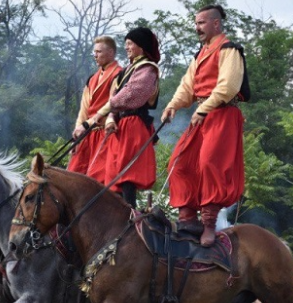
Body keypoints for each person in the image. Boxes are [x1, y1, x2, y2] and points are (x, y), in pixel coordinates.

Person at [161, 4, 248, 247]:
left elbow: (228, 86)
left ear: (216, 24)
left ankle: (209, 223)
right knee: (178, 162)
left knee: (211, 164)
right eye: (196, 23)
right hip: (202, 114)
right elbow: (187, 86)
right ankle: (188, 218)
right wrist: (173, 105)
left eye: (201, 22)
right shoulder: (200, 53)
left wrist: (203, 109)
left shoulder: (229, 49)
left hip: (221, 113)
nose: (197, 27)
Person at [92, 27, 160, 208]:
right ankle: (115, 215)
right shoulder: (127, 70)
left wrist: (103, 112)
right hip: (121, 125)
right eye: (126, 44)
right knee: (114, 172)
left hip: (134, 124)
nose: (127, 47)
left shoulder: (147, 69)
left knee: (127, 172)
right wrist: (111, 118)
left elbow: (130, 95)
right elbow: (115, 96)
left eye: (130, 44)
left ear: (142, 46)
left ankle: (130, 214)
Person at [68, 36, 123, 184]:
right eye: (94, 52)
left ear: (111, 53)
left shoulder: (119, 74)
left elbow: (113, 103)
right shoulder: (92, 78)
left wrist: (86, 125)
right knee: (74, 178)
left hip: (105, 132)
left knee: (97, 180)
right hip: (87, 134)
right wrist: (78, 132)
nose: (95, 55)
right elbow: (84, 109)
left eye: (99, 52)